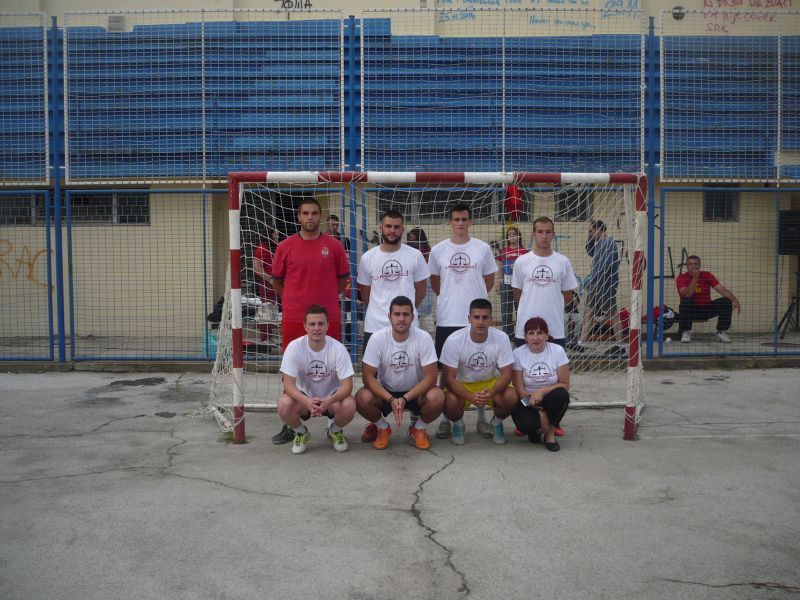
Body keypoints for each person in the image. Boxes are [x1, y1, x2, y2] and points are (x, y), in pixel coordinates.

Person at [270, 198, 350, 445]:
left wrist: (324, 300)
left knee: (331, 368)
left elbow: (342, 280)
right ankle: (293, 424)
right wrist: (294, 299)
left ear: (320, 216)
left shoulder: (334, 246)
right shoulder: (284, 246)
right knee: (291, 370)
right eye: (305, 213)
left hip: (328, 318)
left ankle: (332, 418)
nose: (310, 217)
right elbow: (277, 281)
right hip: (294, 317)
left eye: (314, 213)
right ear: (298, 216)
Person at [428, 202, 498, 440]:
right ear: (450, 222)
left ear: (471, 221)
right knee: (448, 372)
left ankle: (481, 417)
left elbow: (489, 280)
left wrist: (474, 300)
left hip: (475, 319)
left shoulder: (482, 249)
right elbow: (435, 282)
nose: (460, 223)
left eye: (464, 219)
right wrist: (452, 297)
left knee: (481, 368)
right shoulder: (438, 250)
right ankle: (447, 418)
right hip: (448, 317)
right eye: (456, 219)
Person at [355, 295, 445, 450]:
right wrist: (390, 399)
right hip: (387, 391)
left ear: (412, 317)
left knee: (437, 396)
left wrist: (405, 398)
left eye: (405, 314)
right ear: (389, 317)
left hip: (415, 391)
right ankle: (382, 427)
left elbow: (431, 377)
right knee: (362, 397)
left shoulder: (423, 338)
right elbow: (367, 377)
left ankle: (419, 428)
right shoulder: (377, 338)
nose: (401, 319)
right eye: (397, 314)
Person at [276, 305, 356, 455]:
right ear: (305, 326)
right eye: (312, 324)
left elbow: (347, 386)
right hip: (304, 398)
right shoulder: (294, 347)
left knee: (350, 405)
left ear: (327, 325)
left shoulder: (338, 348)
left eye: (321, 323)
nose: (316, 328)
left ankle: (335, 430)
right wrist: (306, 401)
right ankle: (301, 432)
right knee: (283, 405)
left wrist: (328, 401)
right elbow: (288, 385)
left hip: (331, 398)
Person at [440, 298, 517, 445]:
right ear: (469, 318)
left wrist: (491, 392)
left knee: (511, 397)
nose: (480, 322)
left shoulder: (501, 338)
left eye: (485, 317)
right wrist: (469, 396)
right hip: (463, 383)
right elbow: (449, 378)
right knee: (448, 401)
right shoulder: (454, 340)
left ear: (491, 319)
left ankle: (496, 422)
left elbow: (507, 374)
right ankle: (458, 424)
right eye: (476, 317)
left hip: (490, 382)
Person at [357, 210, 429, 353]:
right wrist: (377, 308)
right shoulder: (368, 258)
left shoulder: (415, 256)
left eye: (396, 227)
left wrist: (407, 310)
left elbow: (421, 289)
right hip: (375, 326)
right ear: (381, 227)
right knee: (372, 367)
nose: (392, 230)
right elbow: (365, 292)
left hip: (407, 325)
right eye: (388, 226)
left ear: (403, 229)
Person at [512, 216, 578, 348]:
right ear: (533, 234)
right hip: (526, 328)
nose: (544, 236)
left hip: (554, 329)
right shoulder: (521, 261)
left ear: (553, 234)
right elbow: (517, 293)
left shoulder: (563, 261)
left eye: (548, 232)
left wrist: (553, 305)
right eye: (540, 232)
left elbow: (568, 296)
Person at [511, 317, 570, 452]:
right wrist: (540, 410)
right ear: (525, 337)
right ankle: (536, 430)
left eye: (540, 333)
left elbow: (565, 384)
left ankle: (550, 433)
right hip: (527, 399)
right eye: (531, 333)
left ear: (547, 335)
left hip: (550, 397)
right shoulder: (518, 353)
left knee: (561, 395)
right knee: (526, 425)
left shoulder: (557, 351)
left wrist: (542, 391)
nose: (535, 338)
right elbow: (520, 390)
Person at [574, 220, 626, 357]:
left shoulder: (609, 244)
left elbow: (605, 267)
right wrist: (590, 237)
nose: (590, 234)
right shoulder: (599, 244)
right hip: (596, 284)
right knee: (589, 312)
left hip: (604, 284)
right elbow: (589, 251)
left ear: (599, 229)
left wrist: (592, 282)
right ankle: (581, 343)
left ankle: (621, 345)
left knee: (612, 314)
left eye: (591, 231)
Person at [676, 255, 741, 343]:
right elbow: (687, 294)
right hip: (692, 311)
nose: (693, 266)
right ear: (687, 266)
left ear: (699, 265)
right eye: (690, 264)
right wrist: (695, 278)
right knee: (686, 301)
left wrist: (735, 300)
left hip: (707, 309)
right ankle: (686, 332)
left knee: (726, 301)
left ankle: (721, 332)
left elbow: (720, 289)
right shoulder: (681, 278)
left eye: (696, 264)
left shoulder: (707, 275)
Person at [495, 225, 529, 340]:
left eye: (514, 234)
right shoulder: (503, 251)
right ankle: (508, 335)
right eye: (510, 235)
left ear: (519, 236)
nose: (512, 236)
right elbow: (500, 268)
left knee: (520, 309)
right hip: (506, 284)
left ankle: (521, 334)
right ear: (507, 238)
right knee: (506, 310)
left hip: (520, 285)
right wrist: (498, 283)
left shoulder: (525, 252)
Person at [253, 228, 280, 344]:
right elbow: (256, 267)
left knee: (272, 310)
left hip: (274, 284)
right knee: (266, 310)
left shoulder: (272, 248)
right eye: (275, 234)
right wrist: (269, 279)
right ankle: (264, 339)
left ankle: (269, 336)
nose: (277, 236)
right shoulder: (262, 248)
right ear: (270, 234)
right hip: (266, 284)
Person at [406, 228, 434, 334]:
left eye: (412, 236)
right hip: (412, 277)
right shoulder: (409, 247)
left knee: (425, 309)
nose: (411, 238)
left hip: (425, 277)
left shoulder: (425, 248)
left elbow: (427, 262)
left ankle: (431, 333)